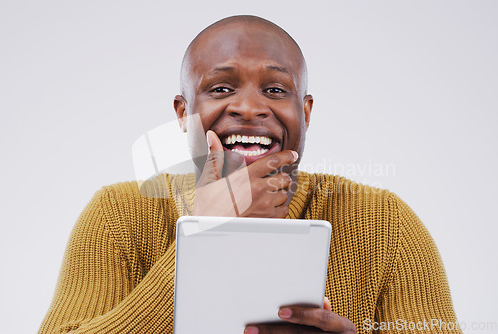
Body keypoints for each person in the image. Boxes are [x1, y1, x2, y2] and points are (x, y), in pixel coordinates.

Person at [39, 15, 461, 333]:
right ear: (184, 114)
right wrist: (206, 234)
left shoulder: (384, 222)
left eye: (275, 90)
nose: (248, 107)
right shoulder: (118, 215)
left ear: (306, 111)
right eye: (221, 88)